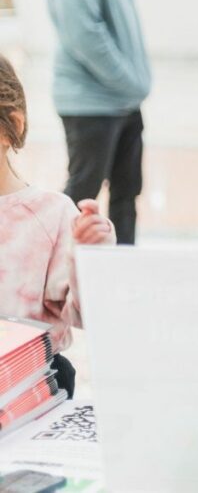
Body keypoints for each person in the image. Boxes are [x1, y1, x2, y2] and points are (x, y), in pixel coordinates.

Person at [0, 55, 115, 398]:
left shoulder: (50, 216)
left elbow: (89, 314)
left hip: (29, 390)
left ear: (12, 127)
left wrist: (90, 256)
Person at [46, 0, 152, 245]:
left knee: (126, 195)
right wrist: (130, 81)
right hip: (90, 104)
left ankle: (122, 271)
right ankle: (57, 268)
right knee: (81, 196)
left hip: (124, 102)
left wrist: (133, 85)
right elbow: (83, 35)